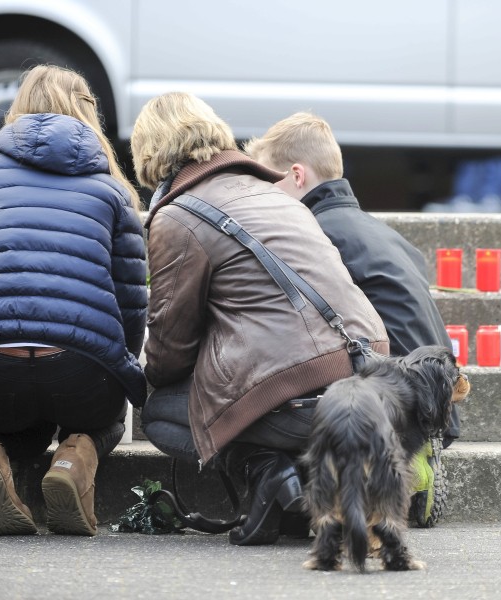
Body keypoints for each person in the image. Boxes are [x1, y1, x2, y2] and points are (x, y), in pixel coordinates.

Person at [131, 93, 388, 546]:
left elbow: (170, 350)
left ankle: (266, 471)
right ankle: (292, 488)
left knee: (161, 412)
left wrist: (147, 372)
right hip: (369, 379)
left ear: (150, 156)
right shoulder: (282, 198)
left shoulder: (177, 217)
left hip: (301, 397)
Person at [244, 112, 461, 527]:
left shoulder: (313, 233)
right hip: (430, 404)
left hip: (387, 406)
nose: (266, 197)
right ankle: (416, 460)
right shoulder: (378, 230)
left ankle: (404, 470)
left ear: (296, 175)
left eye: (270, 184)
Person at [0, 65, 148, 537]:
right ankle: (75, 462)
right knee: (107, 416)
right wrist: (119, 366)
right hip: (79, 371)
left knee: (12, 414)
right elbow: (131, 304)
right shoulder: (113, 190)